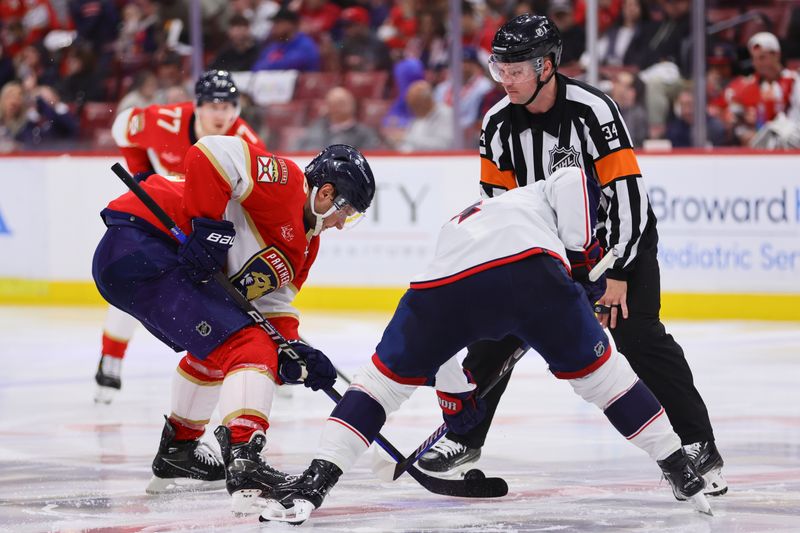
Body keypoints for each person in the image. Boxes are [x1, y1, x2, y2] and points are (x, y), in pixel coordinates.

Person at [261, 167, 707, 525]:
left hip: (441, 288)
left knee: (379, 387)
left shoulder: (469, 216)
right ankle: (676, 465)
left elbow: (444, 340)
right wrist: (582, 264)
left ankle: (314, 482)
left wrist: (455, 395)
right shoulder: (558, 186)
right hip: (532, 273)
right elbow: (572, 181)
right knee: (606, 381)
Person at [417, 14, 727, 500]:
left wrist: (615, 273)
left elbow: (628, 196)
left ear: (547, 66)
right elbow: (500, 211)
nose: (505, 79)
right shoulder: (497, 124)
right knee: (497, 333)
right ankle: (464, 438)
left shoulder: (592, 111)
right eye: (500, 68)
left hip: (618, 243)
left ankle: (698, 446)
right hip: (545, 249)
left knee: (638, 335)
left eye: (516, 69)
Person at [92, 140, 376, 512]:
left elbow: (269, 307)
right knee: (248, 346)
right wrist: (206, 224)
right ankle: (246, 463)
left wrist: (293, 352)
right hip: (143, 241)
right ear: (326, 193)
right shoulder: (286, 182)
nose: (341, 225)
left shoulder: (307, 247)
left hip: (149, 261)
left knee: (226, 348)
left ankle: (179, 451)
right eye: (347, 212)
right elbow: (211, 153)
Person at [94, 70, 265, 404]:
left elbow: (253, 200)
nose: (221, 114)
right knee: (136, 282)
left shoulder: (247, 144)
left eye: (229, 106)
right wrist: (142, 177)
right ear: (196, 106)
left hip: (203, 224)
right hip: (158, 217)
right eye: (213, 105)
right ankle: (110, 360)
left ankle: (257, 358)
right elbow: (122, 127)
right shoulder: (164, 120)